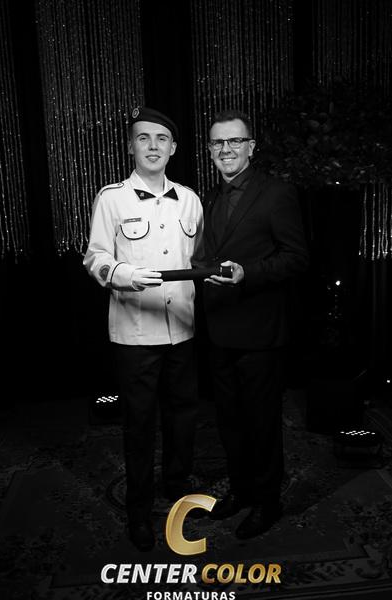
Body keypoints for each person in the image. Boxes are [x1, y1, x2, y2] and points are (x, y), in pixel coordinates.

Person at [83, 107, 203, 552]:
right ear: (131, 146)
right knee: (139, 426)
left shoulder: (190, 200)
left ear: (173, 148)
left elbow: (199, 259)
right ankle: (138, 511)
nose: (153, 146)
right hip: (135, 336)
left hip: (183, 330)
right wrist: (124, 274)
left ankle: (176, 489)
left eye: (161, 139)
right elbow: (95, 257)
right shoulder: (111, 198)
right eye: (143, 138)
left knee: (183, 419)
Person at [202, 109, 308, 539]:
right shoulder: (209, 197)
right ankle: (242, 490)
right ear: (210, 150)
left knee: (261, 423)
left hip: (260, 332)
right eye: (218, 142)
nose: (226, 149)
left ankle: (267, 502)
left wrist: (249, 273)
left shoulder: (276, 193)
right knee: (229, 421)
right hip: (218, 329)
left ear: (251, 147)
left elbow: (297, 258)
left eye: (234, 141)